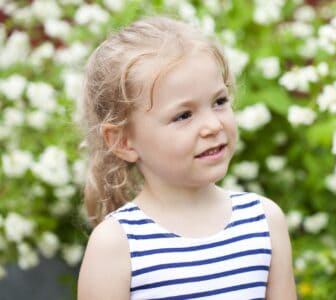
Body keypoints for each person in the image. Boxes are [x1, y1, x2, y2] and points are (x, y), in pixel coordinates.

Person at [77, 15, 296, 300]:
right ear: (123, 141)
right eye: (183, 115)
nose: (213, 126)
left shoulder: (263, 221)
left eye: (219, 102)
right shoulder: (117, 245)